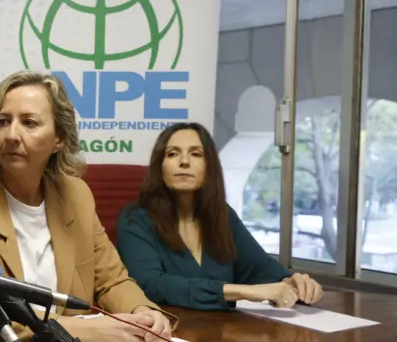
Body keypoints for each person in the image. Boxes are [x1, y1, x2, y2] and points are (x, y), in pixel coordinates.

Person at [0, 71, 176, 342]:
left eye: (29, 123)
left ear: (58, 138)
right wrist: (71, 329)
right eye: (3, 122)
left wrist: (144, 312)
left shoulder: (77, 195)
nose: (11, 135)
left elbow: (111, 279)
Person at [116, 122, 324, 311]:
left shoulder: (222, 215)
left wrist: (292, 282)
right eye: (172, 154)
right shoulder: (136, 219)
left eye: (196, 154)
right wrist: (242, 291)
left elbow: (260, 268)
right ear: (159, 166)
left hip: (224, 335)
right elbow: (149, 285)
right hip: (167, 334)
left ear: (210, 166)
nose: (184, 162)